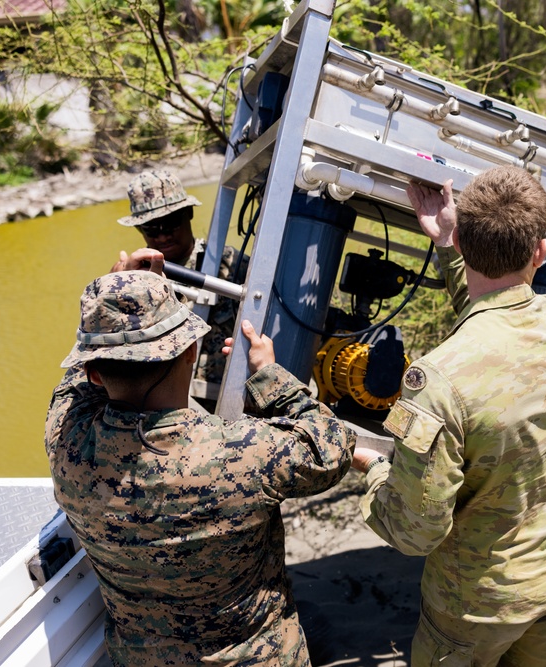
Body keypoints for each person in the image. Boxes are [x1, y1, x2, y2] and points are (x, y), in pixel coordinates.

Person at [45, 251, 355, 665]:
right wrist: (269, 375)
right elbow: (331, 445)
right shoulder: (245, 454)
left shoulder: (68, 446)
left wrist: (112, 300)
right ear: (191, 350)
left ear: (95, 373)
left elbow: (72, 388)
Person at [352, 166, 546, 665]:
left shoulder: (438, 378)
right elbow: (497, 312)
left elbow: (415, 531)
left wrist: (373, 469)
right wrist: (448, 243)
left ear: (463, 238)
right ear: (540, 252)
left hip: (479, 608)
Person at [111, 169, 248, 403]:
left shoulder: (230, 265)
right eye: (152, 229)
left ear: (189, 214)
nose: (163, 236)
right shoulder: (133, 276)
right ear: (139, 230)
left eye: (171, 223)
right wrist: (116, 292)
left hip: (231, 399)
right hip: (167, 404)